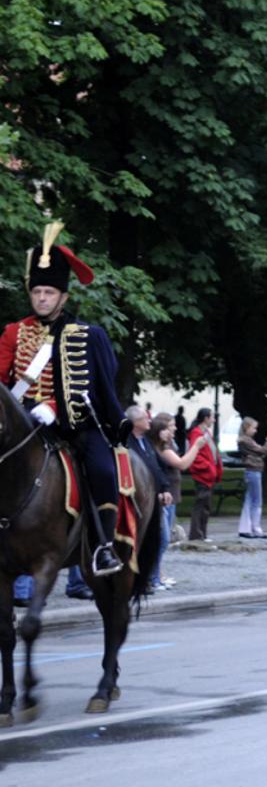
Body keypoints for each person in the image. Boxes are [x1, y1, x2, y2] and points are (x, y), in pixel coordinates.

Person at [0, 221, 129, 576]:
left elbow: (95, 387)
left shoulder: (86, 335)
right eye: (37, 291)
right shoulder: (13, 332)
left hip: (72, 424)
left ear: (63, 297)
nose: (42, 298)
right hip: (22, 421)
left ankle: (103, 545)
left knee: (102, 468)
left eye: (49, 292)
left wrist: (54, 408)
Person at [149, 412, 207, 589]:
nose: (174, 429)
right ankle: (154, 577)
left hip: (170, 496)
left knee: (164, 538)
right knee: (162, 538)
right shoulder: (163, 449)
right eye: (170, 426)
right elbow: (182, 464)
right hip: (165, 498)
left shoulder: (167, 445)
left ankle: (158, 575)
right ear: (160, 429)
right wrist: (196, 446)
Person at [124, 405, 172, 589]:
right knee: (145, 540)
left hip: (156, 499)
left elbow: (157, 467)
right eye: (145, 418)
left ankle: (151, 577)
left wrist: (165, 488)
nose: (149, 420)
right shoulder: (127, 443)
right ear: (135, 423)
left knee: (161, 539)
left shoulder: (146, 441)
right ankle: (145, 579)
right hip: (140, 502)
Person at [185, 407, 222, 541]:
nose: (214, 420)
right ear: (206, 418)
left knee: (205, 506)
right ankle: (196, 535)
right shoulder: (197, 433)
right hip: (203, 476)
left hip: (208, 476)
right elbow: (195, 455)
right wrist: (209, 468)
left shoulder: (205, 432)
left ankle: (202, 534)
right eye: (212, 417)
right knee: (200, 505)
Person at [237, 417, 267, 539]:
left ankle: (246, 528)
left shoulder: (247, 440)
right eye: (254, 428)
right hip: (253, 471)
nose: (255, 430)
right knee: (256, 501)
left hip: (253, 471)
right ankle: (255, 528)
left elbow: (261, 453)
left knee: (250, 499)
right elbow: (262, 451)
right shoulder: (246, 441)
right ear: (247, 428)